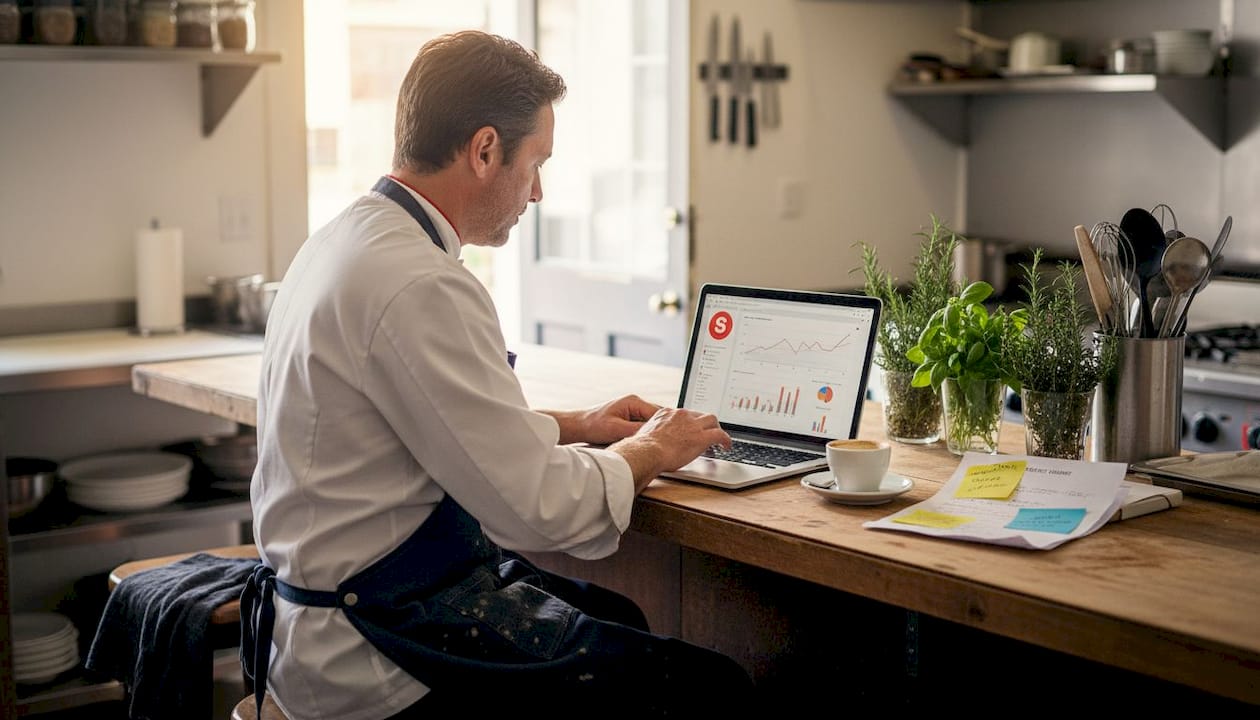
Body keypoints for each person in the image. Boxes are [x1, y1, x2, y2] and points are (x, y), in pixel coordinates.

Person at [242, 30, 757, 720]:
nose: (538, 192)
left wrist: (573, 425)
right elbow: (535, 508)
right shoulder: (420, 283)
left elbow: (416, 430)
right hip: (375, 655)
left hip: (327, 621)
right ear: (485, 150)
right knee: (710, 688)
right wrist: (653, 448)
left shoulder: (344, 241)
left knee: (619, 614)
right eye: (536, 163)